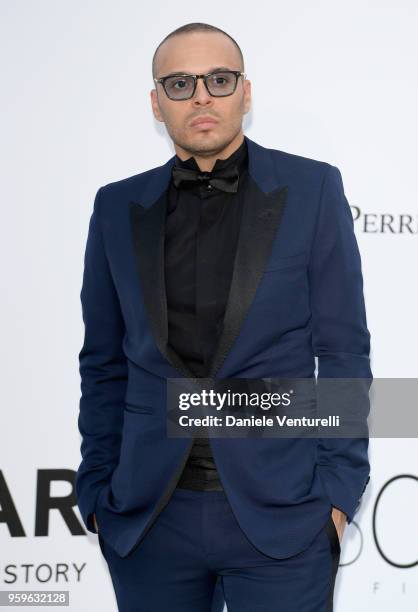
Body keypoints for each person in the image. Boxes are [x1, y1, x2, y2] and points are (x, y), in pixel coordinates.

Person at [75, 22, 372, 612]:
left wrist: (336, 495)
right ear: (156, 103)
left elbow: (343, 349)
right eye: (181, 83)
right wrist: (98, 492)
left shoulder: (312, 189)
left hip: (283, 515)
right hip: (150, 517)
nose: (202, 96)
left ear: (246, 91)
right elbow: (103, 363)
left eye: (219, 79)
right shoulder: (116, 206)